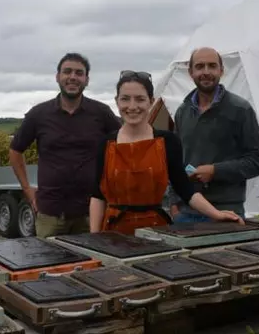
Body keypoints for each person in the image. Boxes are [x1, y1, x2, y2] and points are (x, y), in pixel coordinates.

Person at [89, 70, 242, 235]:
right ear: (117, 102)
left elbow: (185, 188)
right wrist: (94, 239)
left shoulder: (167, 141)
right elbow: (98, 195)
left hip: (155, 230)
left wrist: (216, 214)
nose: (132, 106)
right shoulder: (106, 143)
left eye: (140, 99)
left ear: (151, 102)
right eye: (125, 99)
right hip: (113, 231)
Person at [10, 52, 122, 238]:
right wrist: (28, 190)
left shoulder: (101, 113)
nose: (72, 77)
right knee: (49, 265)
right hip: (50, 213)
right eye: (67, 72)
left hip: (90, 213)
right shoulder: (39, 114)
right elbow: (15, 150)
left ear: (86, 80)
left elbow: (122, 146)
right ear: (57, 77)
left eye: (79, 73)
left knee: (92, 266)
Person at [168, 47, 259, 223]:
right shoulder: (183, 113)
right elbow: (175, 162)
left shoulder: (240, 110)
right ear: (191, 72)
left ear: (221, 70)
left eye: (212, 66)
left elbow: (258, 161)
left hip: (226, 211)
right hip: (185, 212)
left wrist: (215, 171)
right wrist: (174, 202)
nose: (206, 72)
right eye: (200, 66)